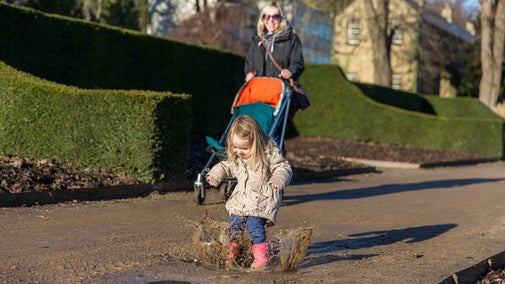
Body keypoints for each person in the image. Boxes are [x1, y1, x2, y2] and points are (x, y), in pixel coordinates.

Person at [206, 115, 292, 271]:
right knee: (234, 227)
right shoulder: (237, 155)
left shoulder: (268, 151)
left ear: (255, 141)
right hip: (242, 199)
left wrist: (279, 179)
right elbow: (226, 166)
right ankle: (233, 253)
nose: (238, 151)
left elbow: (283, 167)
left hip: (262, 198)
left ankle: (261, 258)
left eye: (244, 148)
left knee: (254, 226)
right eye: (234, 147)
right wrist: (215, 175)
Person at [244, 1, 305, 117]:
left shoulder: (291, 39)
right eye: (267, 16)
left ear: (281, 19)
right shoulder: (256, 41)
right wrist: (249, 74)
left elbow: (298, 63)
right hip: (259, 93)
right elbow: (249, 65)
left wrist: (290, 71)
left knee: (272, 125)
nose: (271, 20)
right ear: (262, 19)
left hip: (281, 92)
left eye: (275, 16)